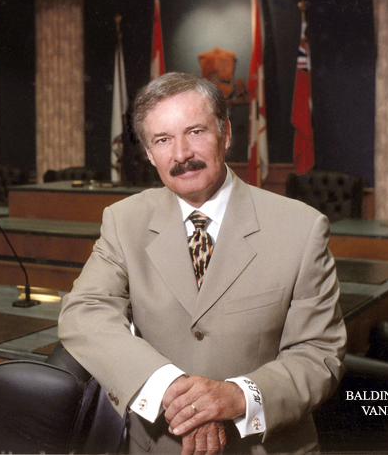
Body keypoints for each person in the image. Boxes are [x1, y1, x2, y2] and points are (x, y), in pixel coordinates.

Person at [58, 72, 346, 454]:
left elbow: (319, 353)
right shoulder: (124, 221)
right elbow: (84, 312)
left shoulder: (301, 228)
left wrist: (235, 397)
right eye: (163, 140)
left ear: (226, 134)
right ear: (149, 153)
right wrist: (169, 387)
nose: (181, 155)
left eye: (195, 132)